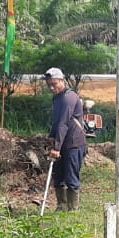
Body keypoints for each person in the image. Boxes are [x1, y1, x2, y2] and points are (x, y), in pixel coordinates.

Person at [43, 66, 87, 211]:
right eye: (49, 84)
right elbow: (55, 122)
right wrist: (51, 140)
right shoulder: (56, 98)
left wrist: (56, 148)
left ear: (62, 81)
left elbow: (63, 123)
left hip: (73, 142)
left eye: (54, 84)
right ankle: (61, 206)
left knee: (71, 175)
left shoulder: (69, 97)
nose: (51, 87)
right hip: (60, 142)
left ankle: (72, 209)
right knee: (58, 175)